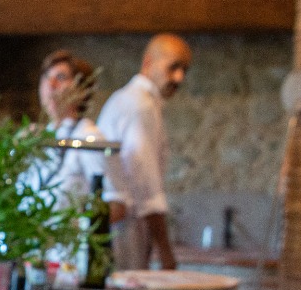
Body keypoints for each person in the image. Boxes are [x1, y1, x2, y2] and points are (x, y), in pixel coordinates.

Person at [95, 32, 192, 270]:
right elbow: (146, 185)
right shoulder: (141, 106)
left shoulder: (128, 99)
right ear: (148, 62)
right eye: (173, 67)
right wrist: (166, 252)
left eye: (184, 70)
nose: (179, 77)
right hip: (124, 230)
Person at [26, 50, 125, 216]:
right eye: (46, 77)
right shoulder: (37, 137)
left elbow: (116, 203)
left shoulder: (89, 138)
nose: (50, 85)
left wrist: (79, 224)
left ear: (82, 89)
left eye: (60, 77)